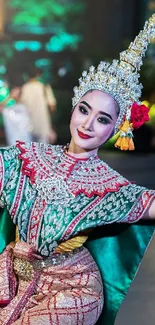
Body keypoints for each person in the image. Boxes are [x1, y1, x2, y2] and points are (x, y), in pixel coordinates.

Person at [0, 15, 154, 325]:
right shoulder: (26, 156)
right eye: (84, 110)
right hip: (12, 277)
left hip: (73, 289)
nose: (87, 124)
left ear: (115, 129)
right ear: (73, 107)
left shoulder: (112, 187)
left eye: (102, 119)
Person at [20, 67, 57, 144]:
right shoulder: (44, 87)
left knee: (29, 152)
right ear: (38, 75)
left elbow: (21, 106)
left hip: (28, 126)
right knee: (42, 152)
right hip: (43, 126)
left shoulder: (24, 88)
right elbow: (52, 106)